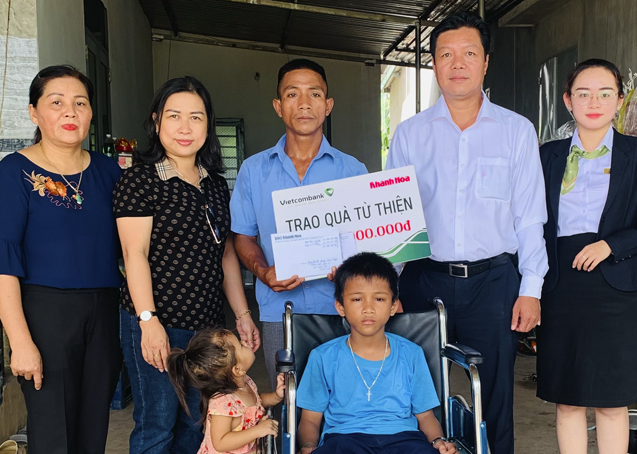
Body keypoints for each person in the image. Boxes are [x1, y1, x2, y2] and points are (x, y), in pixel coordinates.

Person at [385, 12, 548, 454]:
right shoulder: (409, 134)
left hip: (494, 283)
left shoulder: (516, 131)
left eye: (469, 54)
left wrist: (530, 288)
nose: (457, 64)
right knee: (417, 391)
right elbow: (393, 217)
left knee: (495, 395)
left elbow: (530, 217)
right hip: (422, 278)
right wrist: (388, 286)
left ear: (486, 62)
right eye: (446, 55)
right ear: (434, 64)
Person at [0, 65, 123, 453]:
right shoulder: (14, 173)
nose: (70, 112)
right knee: (53, 429)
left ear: (91, 112)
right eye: (56, 102)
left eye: (80, 103)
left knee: (94, 425)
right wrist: (20, 342)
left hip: (105, 312)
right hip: (44, 314)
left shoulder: (110, 173)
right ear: (34, 113)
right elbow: (1, 263)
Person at [114, 76, 260, 453]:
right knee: (157, 424)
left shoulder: (213, 183)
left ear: (207, 125)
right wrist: (149, 322)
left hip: (208, 332)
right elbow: (135, 256)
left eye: (195, 117)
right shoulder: (139, 181)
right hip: (160, 324)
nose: (184, 127)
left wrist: (241, 315)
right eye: (174, 116)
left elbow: (225, 252)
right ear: (156, 121)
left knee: (198, 425)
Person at [537, 59, 637, 454]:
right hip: (560, 283)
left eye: (605, 94)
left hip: (614, 286)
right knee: (567, 397)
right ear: (568, 101)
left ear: (619, 101)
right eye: (583, 94)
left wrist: (610, 245)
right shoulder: (548, 156)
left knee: (610, 399)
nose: (594, 102)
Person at [230, 58, 367, 387]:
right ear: (278, 106)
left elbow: (367, 240)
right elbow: (243, 237)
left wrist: (352, 268)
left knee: (341, 405)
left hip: (341, 309)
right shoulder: (253, 171)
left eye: (315, 94)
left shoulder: (353, 171)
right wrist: (263, 273)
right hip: (280, 311)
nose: (304, 104)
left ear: (328, 105)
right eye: (293, 94)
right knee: (286, 402)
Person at [296, 252, 456, 454]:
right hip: (345, 439)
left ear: (393, 306)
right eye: (357, 299)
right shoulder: (322, 357)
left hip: (404, 439)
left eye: (379, 298)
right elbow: (310, 419)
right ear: (340, 306)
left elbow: (425, 416)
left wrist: (438, 441)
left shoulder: (411, 354)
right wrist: (308, 446)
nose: (368, 308)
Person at [167, 328, 285, 454]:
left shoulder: (245, 382)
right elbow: (220, 442)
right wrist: (257, 431)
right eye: (240, 345)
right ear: (237, 370)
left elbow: (257, 402)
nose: (245, 343)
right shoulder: (223, 403)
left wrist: (276, 396)